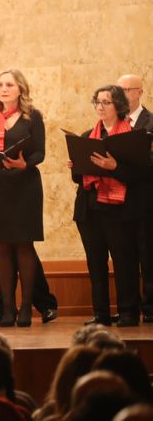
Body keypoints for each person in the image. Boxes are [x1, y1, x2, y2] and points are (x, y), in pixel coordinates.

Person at [0, 83, 59, 326]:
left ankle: (27, 307)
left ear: (20, 89)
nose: (4, 89)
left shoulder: (32, 116)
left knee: (24, 245)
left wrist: (24, 164)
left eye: (9, 85)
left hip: (24, 184)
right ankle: (8, 307)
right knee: (1, 247)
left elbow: (40, 152)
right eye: (0, 85)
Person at [70, 85, 146, 327]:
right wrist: (76, 167)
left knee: (125, 261)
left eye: (106, 102)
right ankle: (101, 314)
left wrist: (115, 168)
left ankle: (128, 313)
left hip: (119, 209)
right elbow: (78, 180)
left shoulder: (133, 136)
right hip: (89, 209)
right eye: (98, 102)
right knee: (95, 262)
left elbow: (141, 174)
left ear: (119, 106)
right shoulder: (86, 136)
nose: (100, 107)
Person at [116, 74, 153, 323]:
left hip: (146, 199)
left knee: (148, 257)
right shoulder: (113, 123)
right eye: (119, 91)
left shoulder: (150, 122)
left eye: (127, 90)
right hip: (118, 201)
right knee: (124, 257)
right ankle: (128, 308)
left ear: (139, 92)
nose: (122, 95)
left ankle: (150, 309)